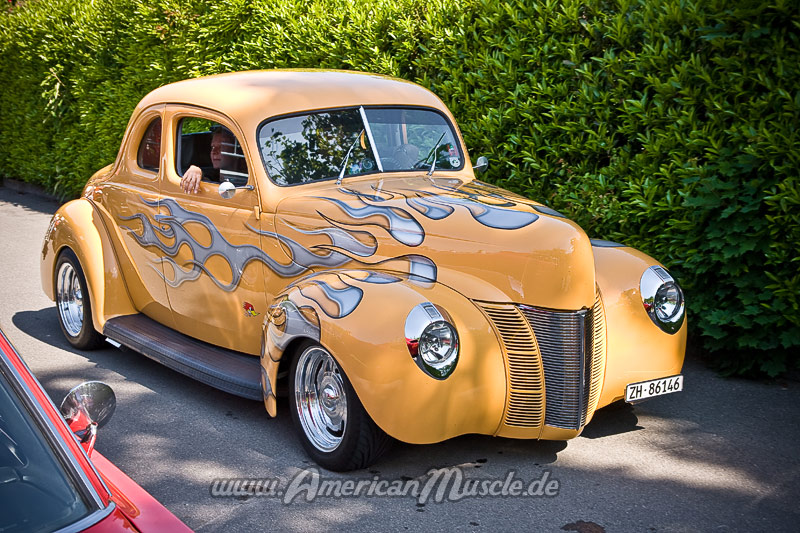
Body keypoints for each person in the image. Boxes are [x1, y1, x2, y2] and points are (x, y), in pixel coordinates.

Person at [180, 127, 238, 194]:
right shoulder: (213, 175)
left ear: (236, 151)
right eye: (212, 147)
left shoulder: (245, 179)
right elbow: (208, 179)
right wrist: (195, 171)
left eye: (221, 147)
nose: (214, 151)